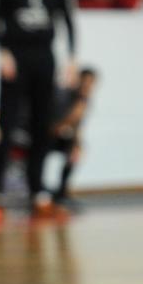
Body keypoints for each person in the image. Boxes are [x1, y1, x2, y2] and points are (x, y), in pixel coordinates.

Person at [0, 0, 77, 216]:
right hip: (15, 58)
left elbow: (68, 21)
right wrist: (2, 51)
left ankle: (36, 186)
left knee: (42, 124)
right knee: (7, 122)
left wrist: (72, 59)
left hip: (44, 57)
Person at [50, 68, 97, 210]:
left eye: (91, 83)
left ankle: (62, 191)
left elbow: (77, 127)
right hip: (46, 136)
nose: (87, 86)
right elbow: (57, 125)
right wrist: (74, 114)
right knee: (70, 147)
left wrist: (77, 143)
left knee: (74, 151)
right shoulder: (65, 96)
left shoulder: (84, 101)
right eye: (85, 82)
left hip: (63, 137)